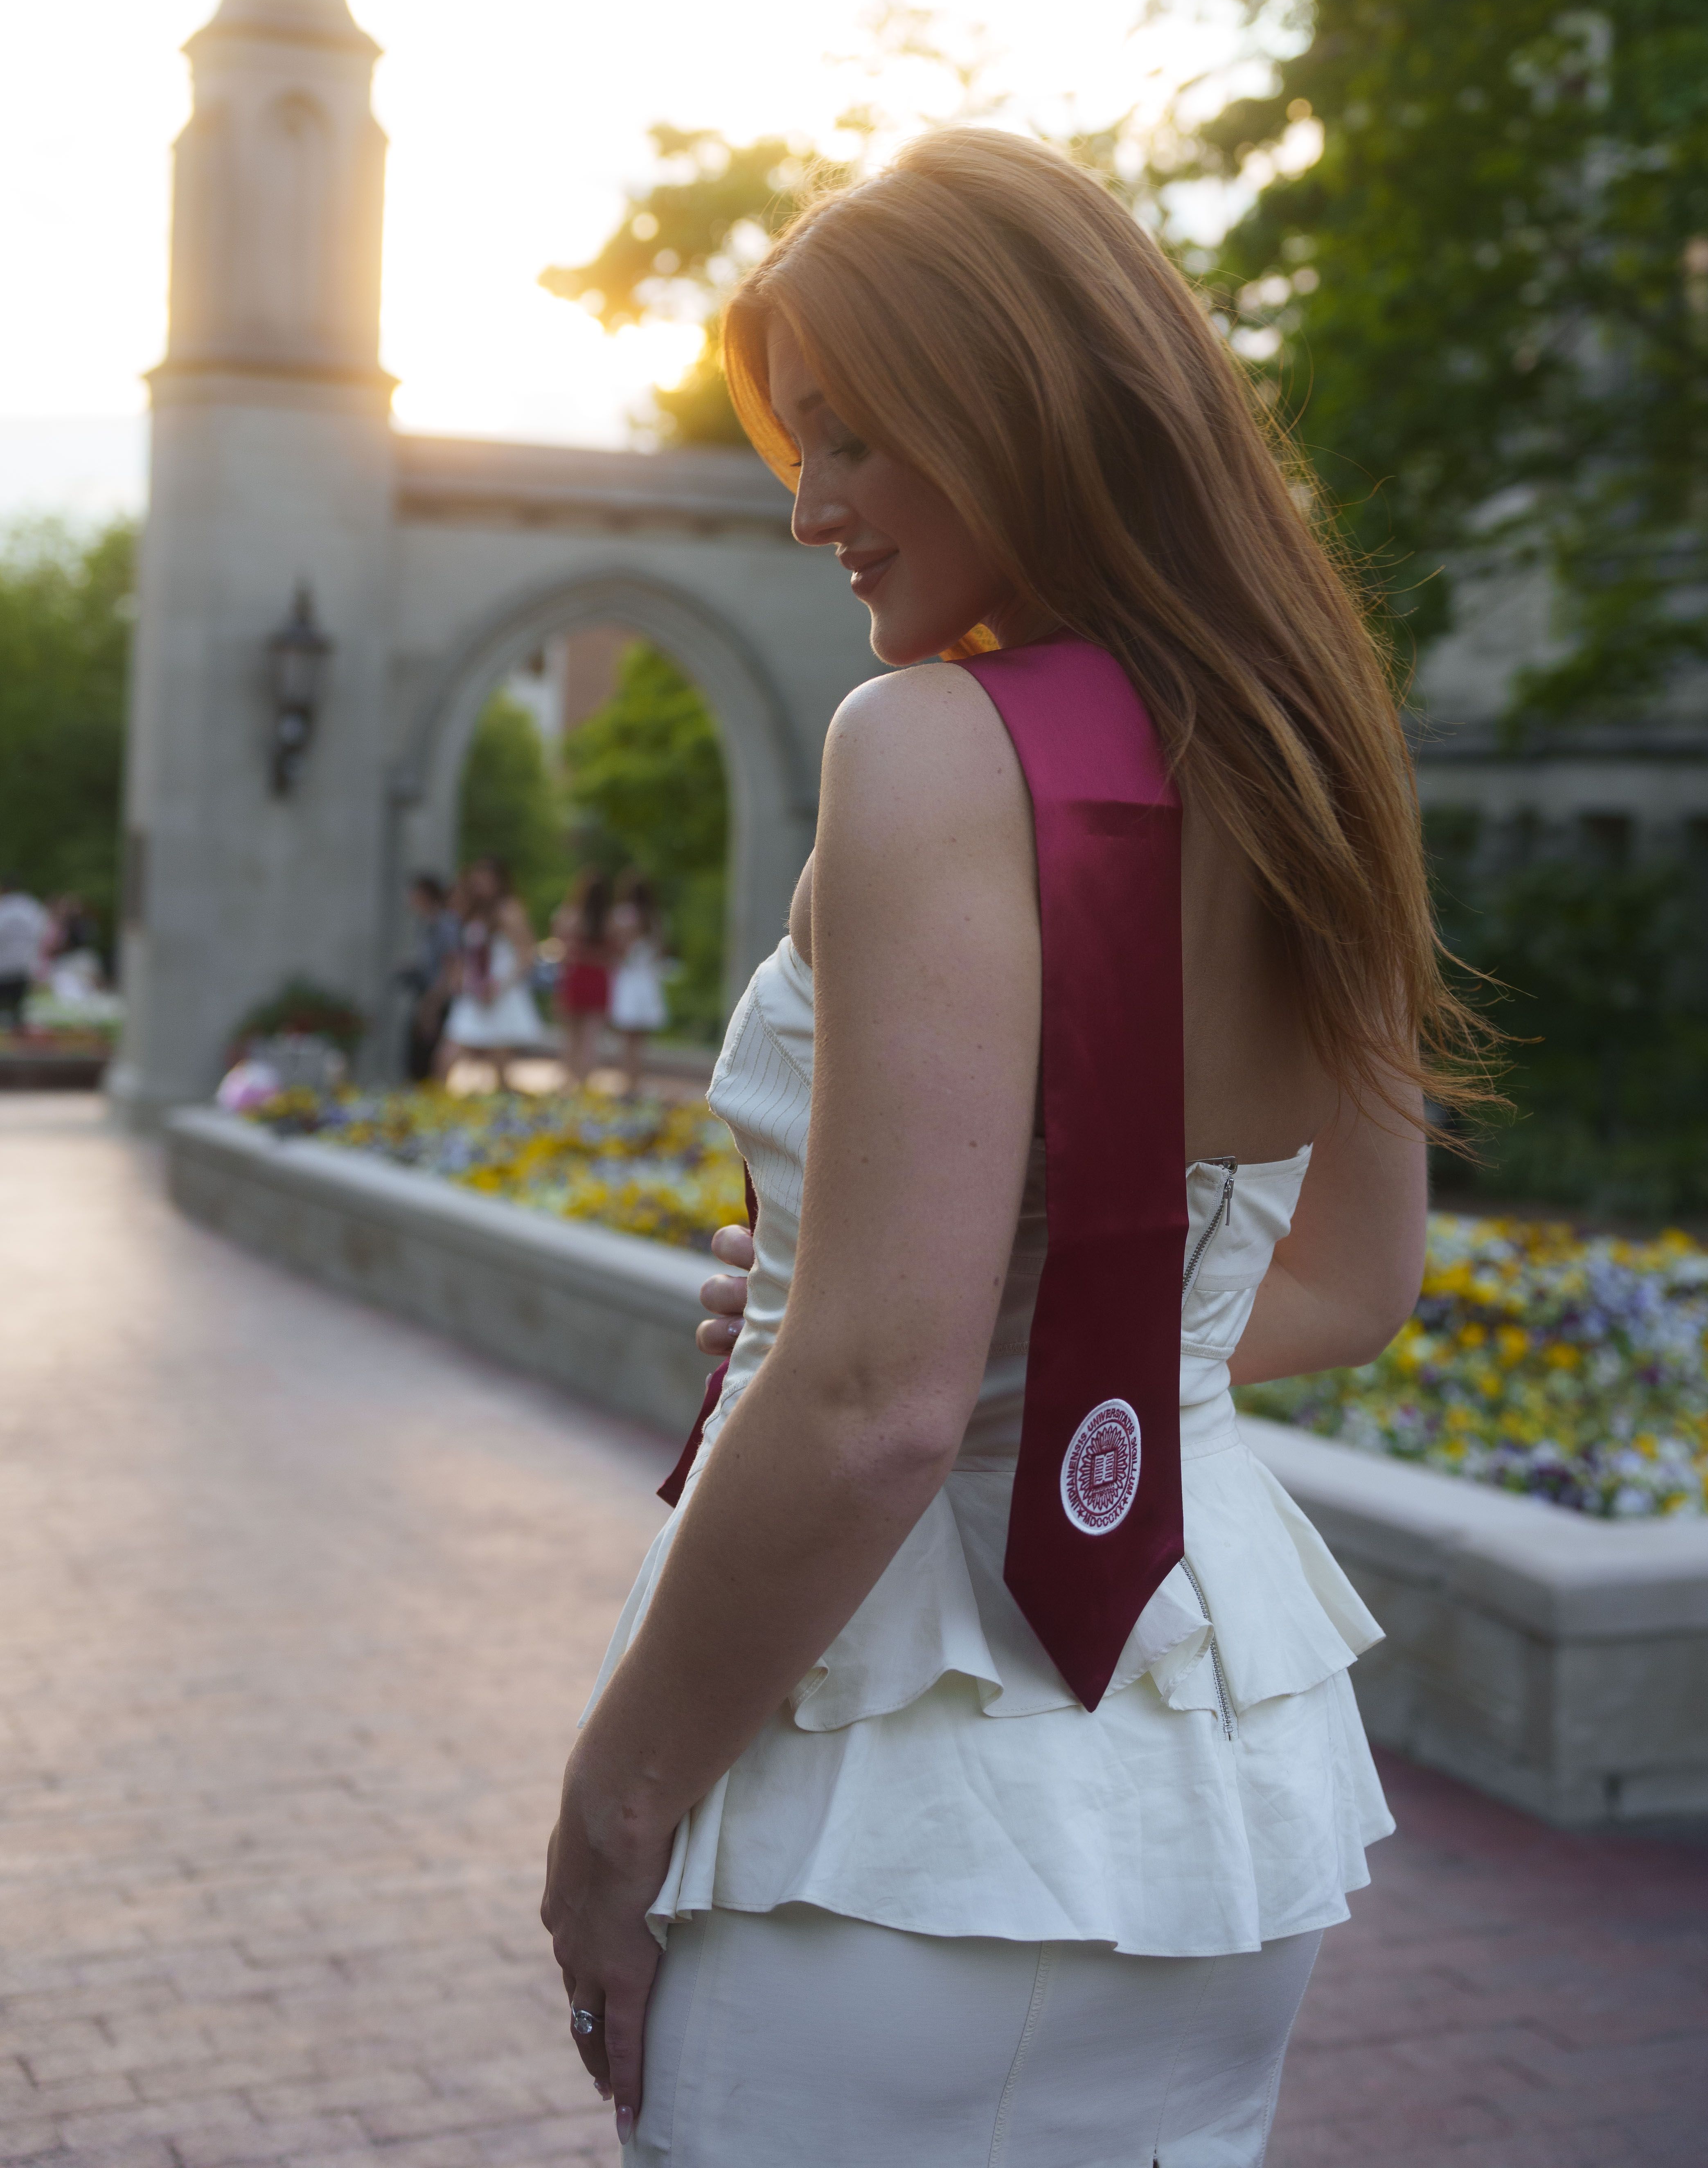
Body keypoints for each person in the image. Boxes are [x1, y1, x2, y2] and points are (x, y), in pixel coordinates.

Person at [541, 128, 1487, 2164]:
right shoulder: (1310, 735)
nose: (810, 510)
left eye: (858, 441)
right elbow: (1350, 1287)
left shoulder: (924, 748)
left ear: (1023, 404)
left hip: (902, 1805)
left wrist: (612, 1814)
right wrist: (998, 1327)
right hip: (1210, 1788)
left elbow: (879, 1405)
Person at [437, 856, 546, 1080]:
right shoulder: (471, 911)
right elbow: (462, 952)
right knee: (446, 1058)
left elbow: (527, 955)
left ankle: (505, 1113)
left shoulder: (510, 910)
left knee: (501, 1065)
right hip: (473, 993)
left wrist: (500, 985)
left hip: (500, 992)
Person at [607, 871, 670, 1093]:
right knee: (640, 1041)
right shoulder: (655, 919)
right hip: (648, 980)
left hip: (629, 980)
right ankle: (637, 1083)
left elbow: (618, 950)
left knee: (626, 1039)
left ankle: (627, 1083)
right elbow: (661, 952)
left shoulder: (623, 915)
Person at [552, 868, 617, 1083]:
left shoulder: (571, 916)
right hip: (599, 979)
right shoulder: (611, 921)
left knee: (571, 1036)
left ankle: (568, 1079)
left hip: (576, 976)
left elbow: (561, 949)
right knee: (591, 1037)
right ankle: (584, 1081)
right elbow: (616, 956)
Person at [396, 872, 462, 1082]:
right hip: (428, 995)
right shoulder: (428, 925)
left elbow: (451, 968)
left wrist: (432, 1006)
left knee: (427, 1056)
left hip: (437, 998)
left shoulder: (445, 925)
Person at [0, 878, 51, 1033]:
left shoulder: (5, 907)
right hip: (24, 962)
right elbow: (43, 931)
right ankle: (17, 1030)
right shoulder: (31, 906)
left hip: (4, 962)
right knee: (19, 1006)